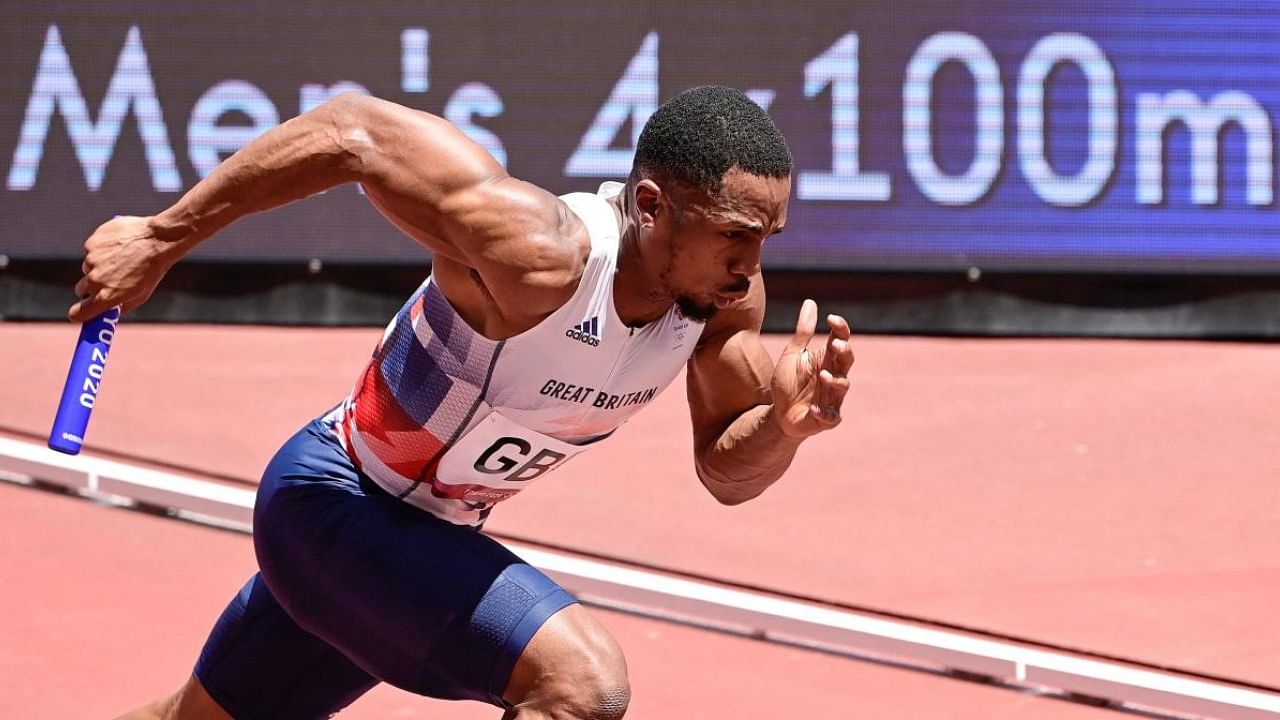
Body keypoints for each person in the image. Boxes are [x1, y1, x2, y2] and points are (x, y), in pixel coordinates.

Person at [71, 85, 854, 720]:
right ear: (650, 205)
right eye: (736, 236)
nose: (751, 266)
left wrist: (785, 429)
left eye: (767, 239)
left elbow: (726, 473)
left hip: (414, 544)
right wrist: (161, 235)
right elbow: (354, 130)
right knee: (582, 686)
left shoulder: (723, 302)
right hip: (332, 503)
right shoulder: (540, 255)